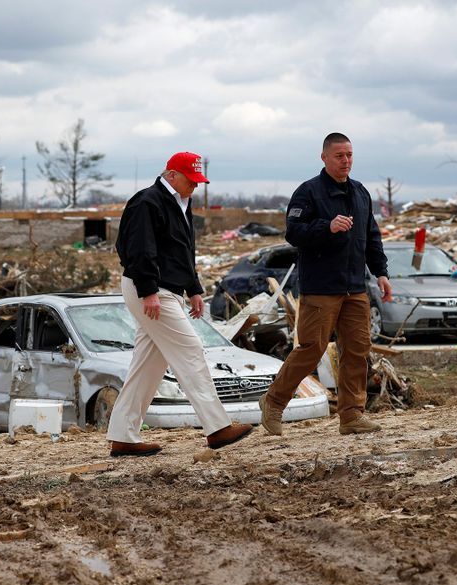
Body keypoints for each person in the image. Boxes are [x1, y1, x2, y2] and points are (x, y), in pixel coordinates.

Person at [109, 151, 254, 457]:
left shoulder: (181, 203)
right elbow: (138, 249)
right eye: (192, 180)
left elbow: (183, 251)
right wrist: (148, 289)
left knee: (148, 365)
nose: (196, 187)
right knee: (190, 350)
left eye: (199, 181)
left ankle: (123, 435)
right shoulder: (147, 202)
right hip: (149, 288)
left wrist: (194, 289)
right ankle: (217, 427)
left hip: (166, 288)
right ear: (173, 174)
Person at [259, 133, 392, 436]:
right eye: (339, 156)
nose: (346, 161)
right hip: (321, 288)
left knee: (357, 350)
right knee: (311, 349)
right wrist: (326, 226)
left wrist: (381, 272)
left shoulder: (360, 193)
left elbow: (371, 236)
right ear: (324, 157)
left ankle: (351, 416)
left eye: (349, 155)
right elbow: (294, 233)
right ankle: (273, 401)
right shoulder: (308, 192)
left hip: (355, 287)